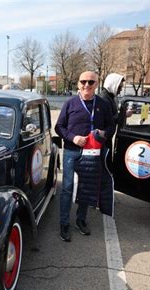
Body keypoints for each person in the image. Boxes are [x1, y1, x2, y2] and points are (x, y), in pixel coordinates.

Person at [54, 71, 114, 242]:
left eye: (91, 82)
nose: (87, 85)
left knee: (86, 187)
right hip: (72, 151)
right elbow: (59, 127)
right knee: (67, 188)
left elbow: (111, 126)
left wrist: (103, 133)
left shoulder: (102, 104)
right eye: (83, 81)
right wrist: (73, 137)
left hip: (93, 152)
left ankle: (81, 220)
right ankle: (64, 223)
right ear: (78, 83)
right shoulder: (70, 103)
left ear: (97, 84)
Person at [99, 73, 125, 171]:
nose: (120, 90)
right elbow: (109, 120)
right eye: (119, 87)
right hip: (103, 140)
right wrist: (123, 115)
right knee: (105, 166)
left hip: (107, 138)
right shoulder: (104, 98)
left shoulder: (110, 97)